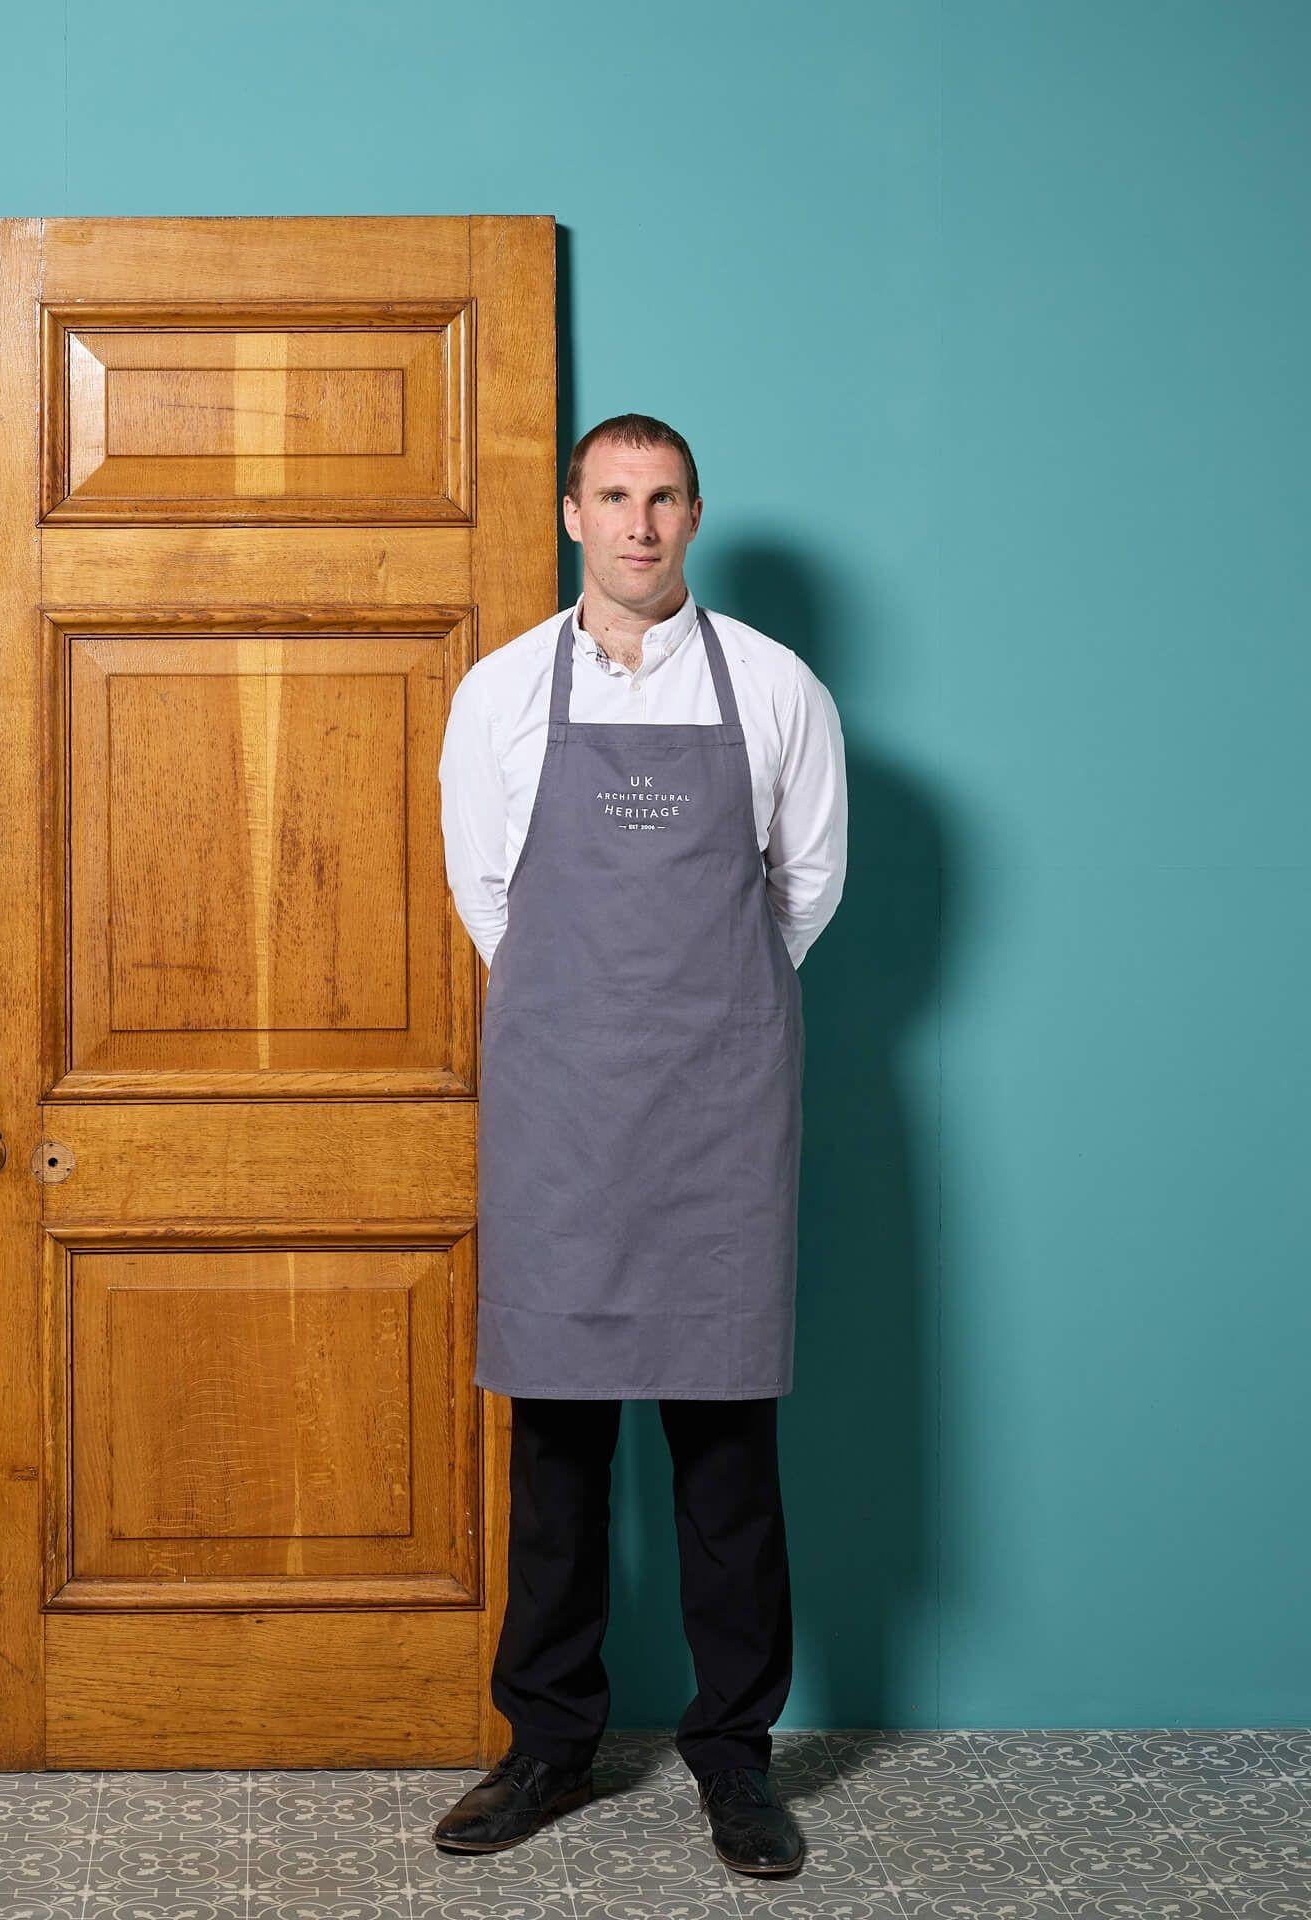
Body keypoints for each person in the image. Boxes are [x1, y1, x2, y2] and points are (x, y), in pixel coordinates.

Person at [431, 414, 848, 1877]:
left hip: (723, 1107)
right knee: (557, 1442)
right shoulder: (497, 694)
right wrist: (592, 1019)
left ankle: (735, 1761)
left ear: (693, 514)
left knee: (726, 1449)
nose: (638, 525)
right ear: (570, 513)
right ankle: (546, 1743)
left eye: (663, 498)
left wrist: (702, 1020)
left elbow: (802, 894)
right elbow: (494, 900)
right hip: (563, 1107)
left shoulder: (781, 688)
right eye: (612, 498)